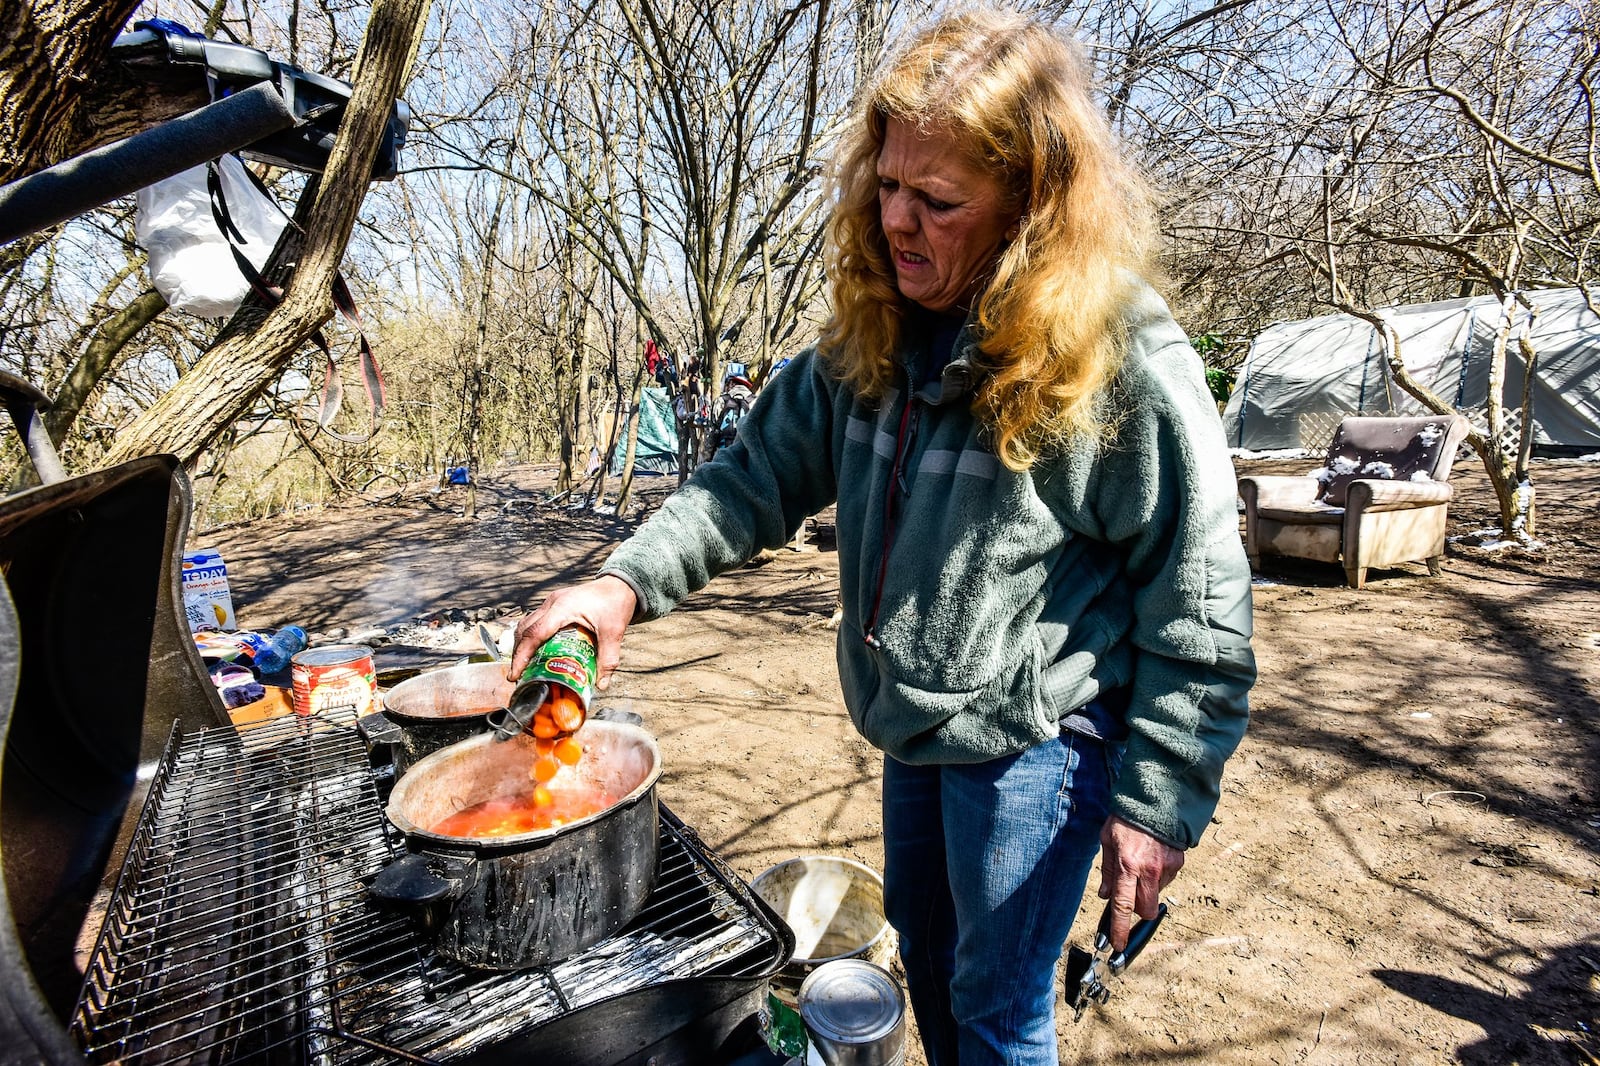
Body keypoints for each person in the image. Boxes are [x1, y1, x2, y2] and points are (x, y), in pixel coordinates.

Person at [509, 10, 1255, 1064]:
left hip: (1034, 746)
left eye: (937, 200)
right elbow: (749, 479)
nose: (895, 220)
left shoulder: (1116, 356)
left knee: (998, 1014)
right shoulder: (876, 327)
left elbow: (1201, 600)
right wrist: (620, 586)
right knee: (938, 978)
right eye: (887, 184)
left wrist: (1163, 800)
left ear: (1029, 204)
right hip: (913, 729)